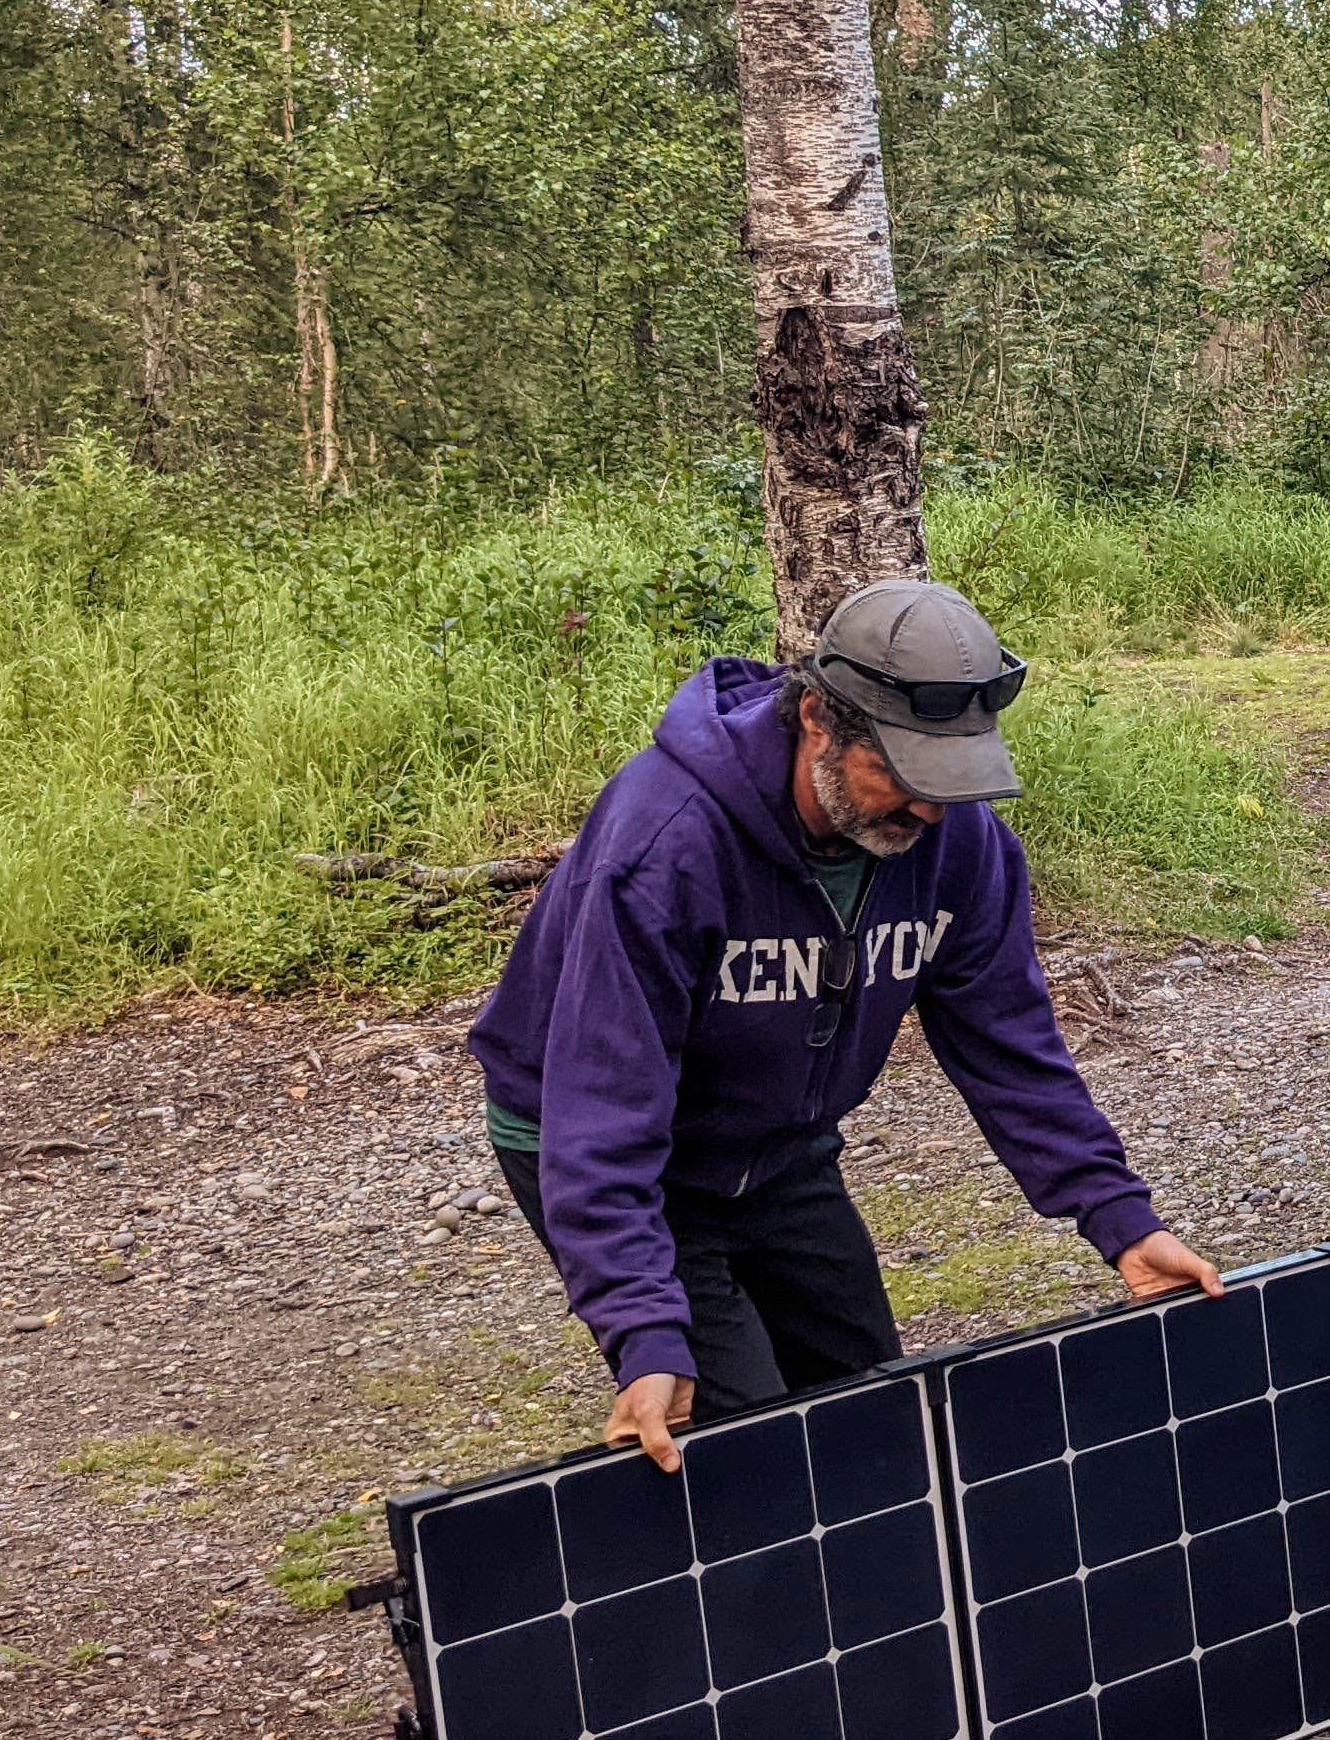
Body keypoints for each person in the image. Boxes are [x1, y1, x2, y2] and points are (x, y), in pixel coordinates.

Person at [471, 576, 1219, 1470]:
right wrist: (641, 1324)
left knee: (867, 1406)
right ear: (818, 718)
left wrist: (1120, 1219)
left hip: (780, 1148)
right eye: (904, 776)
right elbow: (602, 1103)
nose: (930, 810)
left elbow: (1011, 1049)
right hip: (611, 1141)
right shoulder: (665, 846)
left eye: (953, 778)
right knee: (745, 1446)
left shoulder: (958, 846)